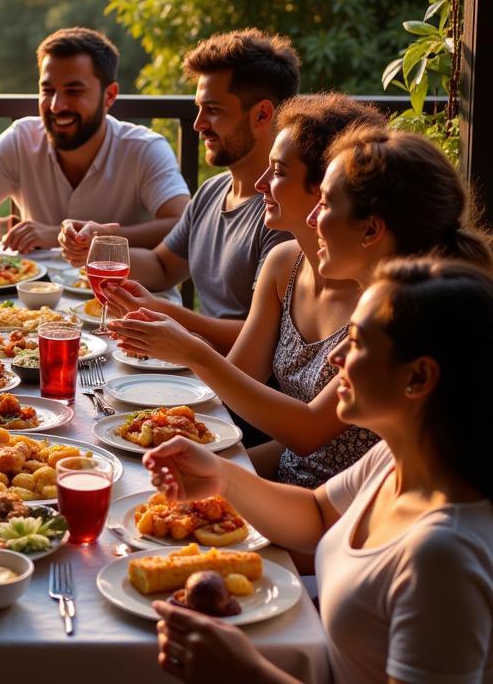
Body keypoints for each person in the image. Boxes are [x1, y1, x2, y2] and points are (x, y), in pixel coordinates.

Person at [145, 257, 493, 684]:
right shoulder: (396, 458)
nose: (334, 356)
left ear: (419, 377)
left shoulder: (444, 557)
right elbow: (316, 515)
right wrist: (222, 477)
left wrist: (247, 672)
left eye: (357, 341)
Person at [110, 95, 387, 488]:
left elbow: (309, 435)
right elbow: (231, 386)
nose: (260, 184)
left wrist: (188, 347)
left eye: (277, 172)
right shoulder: (286, 264)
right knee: (134, 477)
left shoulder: (384, 302)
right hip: (288, 476)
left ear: (323, 188)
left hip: (339, 505)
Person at [87, 29, 301, 354]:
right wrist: (99, 252)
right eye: (198, 108)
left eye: (213, 110)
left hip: (230, 391)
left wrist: (168, 315)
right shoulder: (212, 191)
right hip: (194, 369)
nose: (198, 123)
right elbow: (162, 268)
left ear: (261, 114)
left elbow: (264, 341)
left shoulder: (283, 212)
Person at [0, 27, 190, 254]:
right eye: (48, 90)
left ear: (109, 96)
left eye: (74, 91)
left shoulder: (145, 149)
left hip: (125, 303)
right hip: (36, 307)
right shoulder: (21, 140)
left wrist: (73, 238)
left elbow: (183, 224)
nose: (56, 105)